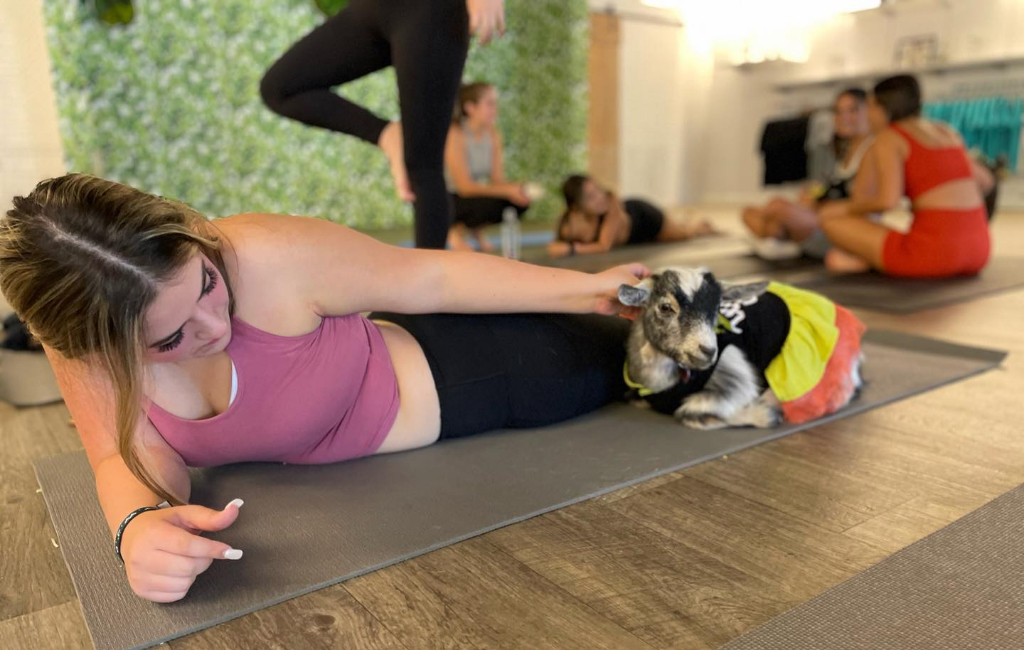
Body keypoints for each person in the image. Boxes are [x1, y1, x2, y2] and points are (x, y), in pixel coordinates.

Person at [0, 174, 647, 603]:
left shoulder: (268, 254)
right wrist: (138, 526)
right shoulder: (81, 335)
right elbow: (123, 455)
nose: (215, 325)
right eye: (170, 340)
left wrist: (588, 287)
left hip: (475, 373)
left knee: (651, 357)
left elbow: (430, 281)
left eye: (205, 285)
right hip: (382, 359)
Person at [260, 0, 508, 249]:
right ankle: (387, 134)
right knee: (279, 88)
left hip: (431, 10)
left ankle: (429, 281)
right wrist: (381, 132)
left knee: (423, 168)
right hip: (373, 7)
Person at [819, 75, 995, 277]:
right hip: (979, 250)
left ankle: (869, 262)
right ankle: (869, 260)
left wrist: (840, 208)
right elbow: (986, 181)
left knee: (831, 222)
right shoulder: (946, 131)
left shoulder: (890, 137)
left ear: (880, 107)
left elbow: (888, 201)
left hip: (933, 254)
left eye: (870, 107)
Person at [742, 88, 874, 259]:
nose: (844, 118)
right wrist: (811, 198)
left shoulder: (872, 150)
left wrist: (819, 208)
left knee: (779, 209)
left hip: (842, 225)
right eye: (838, 112)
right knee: (751, 211)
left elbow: (866, 204)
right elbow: (823, 189)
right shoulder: (840, 150)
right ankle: (780, 236)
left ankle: (778, 237)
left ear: (869, 111)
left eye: (852, 110)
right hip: (821, 215)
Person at [444, 82, 533, 251]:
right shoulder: (455, 134)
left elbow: (497, 179)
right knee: (498, 197)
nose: (495, 110)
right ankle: (453, 230)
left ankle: (474, 229)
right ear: (470, 107)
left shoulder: (493, 134)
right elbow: (464, 187)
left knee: (517, 202)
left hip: (472, 193)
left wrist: (517, 189)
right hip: (450, 198)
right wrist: (507, 190)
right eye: (490, 104)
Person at [548, 175, 715, 258]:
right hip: (634, 237)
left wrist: (571, 249)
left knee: (683, 236)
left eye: (597, 190)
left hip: (645, 217)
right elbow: (559, 241)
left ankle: (698, 227)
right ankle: (686, 223)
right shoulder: (570, 220)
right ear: (577, 206)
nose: (599, 198)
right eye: (590, 197)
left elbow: (603, 246)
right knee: (667, 238)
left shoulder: (611, 204)